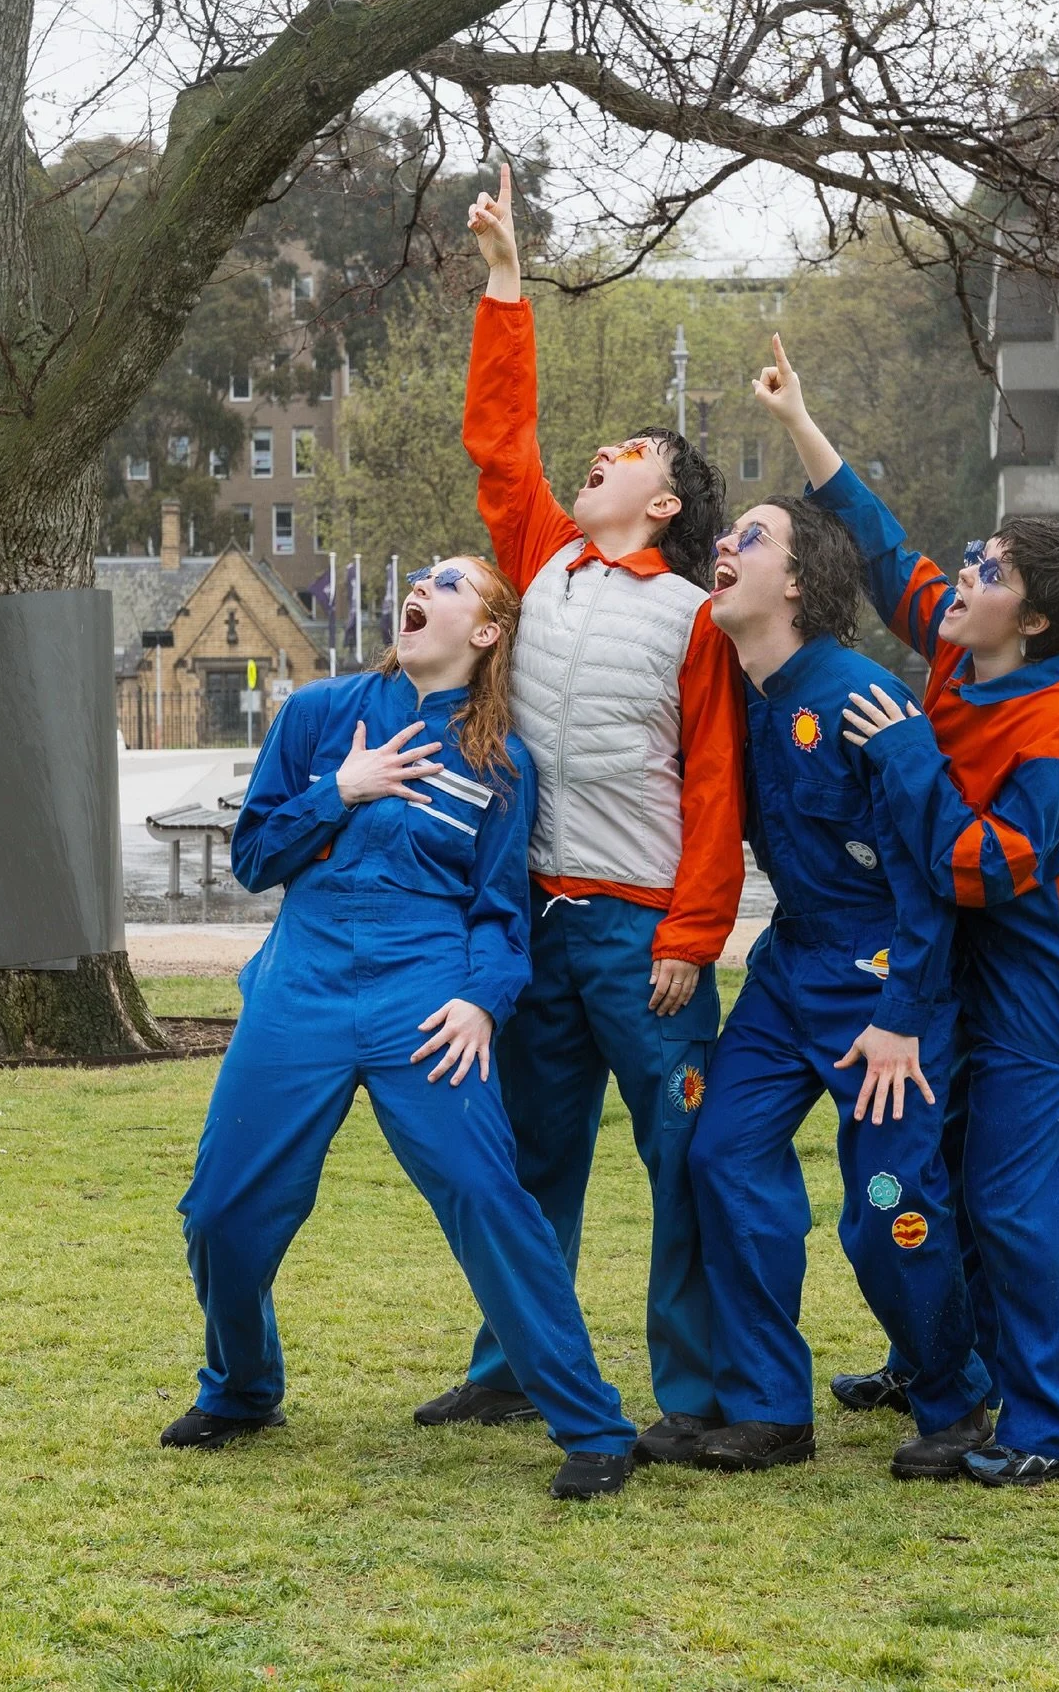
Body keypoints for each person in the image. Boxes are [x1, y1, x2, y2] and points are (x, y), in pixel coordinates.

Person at [162, 556, 638, 1501]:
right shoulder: (316, 716)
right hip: (301, 983)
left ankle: (592, 1425)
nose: (423, 587)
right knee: (222, 1211)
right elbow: (254, 856)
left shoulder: (501, 760)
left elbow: (502, 915)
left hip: (427, 995)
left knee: (487, 1198)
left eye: (451, 583)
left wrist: (481, 1002)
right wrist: (340, 787)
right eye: (419, 578)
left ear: (489, 631)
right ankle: (244, 1388)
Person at [754, 335, 1059, 1487]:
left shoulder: (1049, 724)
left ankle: (1053, 1431)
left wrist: (915, 762)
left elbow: (981, 871)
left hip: (1052, 978)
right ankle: (946, 1361)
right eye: (975, 561)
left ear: (1031, 622)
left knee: (1020, 1205)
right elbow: (882, 554)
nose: (963, 579)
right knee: (944, 1174)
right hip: (972, 963)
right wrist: (800, 420)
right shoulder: (959, 651)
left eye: (991, 573)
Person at [414, 167, 746, 1466]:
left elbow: (718, 786)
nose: (600, 457)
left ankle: (700, 1391)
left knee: (683, 1161)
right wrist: (507, 280)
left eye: (630, 457)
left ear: (662, 504)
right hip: (537, 930)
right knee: (528, 1156)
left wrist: (693, 934)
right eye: (601, 452)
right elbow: (500, 439)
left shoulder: (696, 615)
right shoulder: (542, 553)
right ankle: (514, 1364)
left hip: (645, 937)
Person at [681, 496, 992, 1474]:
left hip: (888, 982)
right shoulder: (737, 697)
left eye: (752, 537)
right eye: (727, 534)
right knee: (721, 1156)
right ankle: (773, 1410)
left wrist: (904, 1018)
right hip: (788, 970)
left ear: (801, 582)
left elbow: (934, 874)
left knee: (885, 1209)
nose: (726, 545)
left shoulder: (864, 699)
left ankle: (954, 1397)